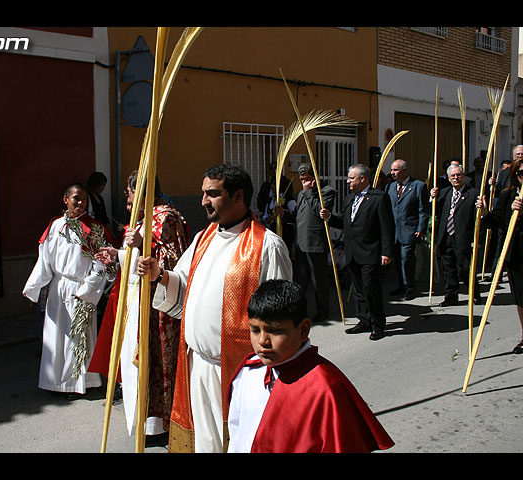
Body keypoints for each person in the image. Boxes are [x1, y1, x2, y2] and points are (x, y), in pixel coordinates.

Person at [136, 164, 293, 453]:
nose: (203, 201)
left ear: (238, 196)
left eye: (212, 194)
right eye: (203, 194)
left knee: (239, 443)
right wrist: (159, 275)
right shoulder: (202, 239)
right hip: (197, 366)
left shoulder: (267, 246)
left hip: (241, 373)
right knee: (206, 444)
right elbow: (183, 288)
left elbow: (280, 316)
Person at [227, 279, 395, 453]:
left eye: (276, 331)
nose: (263, 341)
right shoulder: (247, 372)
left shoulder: (325, 387)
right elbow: (237, 432)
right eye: (255, 330)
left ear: (303, 330)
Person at [91, 170, 190, 442]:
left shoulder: (166, 217)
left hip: (158, 307)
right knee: (136, 362)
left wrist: (143, 243)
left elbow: (174, 261)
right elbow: (138, 260)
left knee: (156, 363)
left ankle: (160, 426)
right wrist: (119, 254)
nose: (127, 200)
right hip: (138, 302)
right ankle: (146, 423)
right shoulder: (146, 219)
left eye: (130, 193)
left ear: (144, 193)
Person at [23, 183, 113, 399]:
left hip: (80, 289)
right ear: (66, 200)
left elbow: (100, 266)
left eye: (84, 199)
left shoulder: (93, 229)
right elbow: (44, 260)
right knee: (55, 337)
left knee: (78, 338)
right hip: (58, 288)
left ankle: (79, 384)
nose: (81, 203)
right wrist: (33, 289)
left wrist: (87, 291)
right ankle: (56, 383)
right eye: (76, 198)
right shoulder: (55, 227)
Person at [320, 164, 394, 341]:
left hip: (371, 252)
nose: (348, 181)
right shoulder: (349, 200)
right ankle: (364, 320)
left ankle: (378, 324)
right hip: (352, 252)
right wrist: (329, 218)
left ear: (362, 179)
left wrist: (387, 252)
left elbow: (387, 227)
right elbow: (346, 224)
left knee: (371, 289)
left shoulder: (379, 198)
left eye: (351, 178)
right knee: (359, 291)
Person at [477, 157, 523, 354]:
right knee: (521, 297)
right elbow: (495, 222)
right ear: (515, 176)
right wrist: (485, 213)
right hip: (516, 254)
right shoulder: (508, 195)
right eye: (521, 173)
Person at [430, 164, 482, 307]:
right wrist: (432, 198)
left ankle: (474, 293)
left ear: (464, 176)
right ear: (448, 178)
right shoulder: (444, 193)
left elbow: (478, 219)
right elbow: (434, 211)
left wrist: (476, 239)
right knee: (448, 269)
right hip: (446, 236)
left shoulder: (473, 193)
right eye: (452, 176)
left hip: (463, 237)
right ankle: (451, 296)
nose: (456, 178)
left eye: (458, 175)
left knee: (464, 268)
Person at [291, 162, 335, 322]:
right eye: (302, 179)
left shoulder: (327, 192)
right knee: (300, 280)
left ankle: (323, 311)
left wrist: (309, 192)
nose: (304, 182)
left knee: (319, 282)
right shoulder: (302, 194)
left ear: (315, 177)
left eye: (307, 178)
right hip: (301, 243)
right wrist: (283, 214)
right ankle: (300, 311)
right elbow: (298, 217)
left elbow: (320, 212)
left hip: (316, 243)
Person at [386, 159, 430, 300]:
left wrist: (420, 227)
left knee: (407, 259)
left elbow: (423, 210)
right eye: (392, 170)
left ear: (404, 170)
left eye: (396, 170)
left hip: (410, 229)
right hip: (394, 231)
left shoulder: (418, 186)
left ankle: (409, 287)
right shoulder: (390, 187)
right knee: (398, 260)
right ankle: (401, 284)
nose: (393, 173)